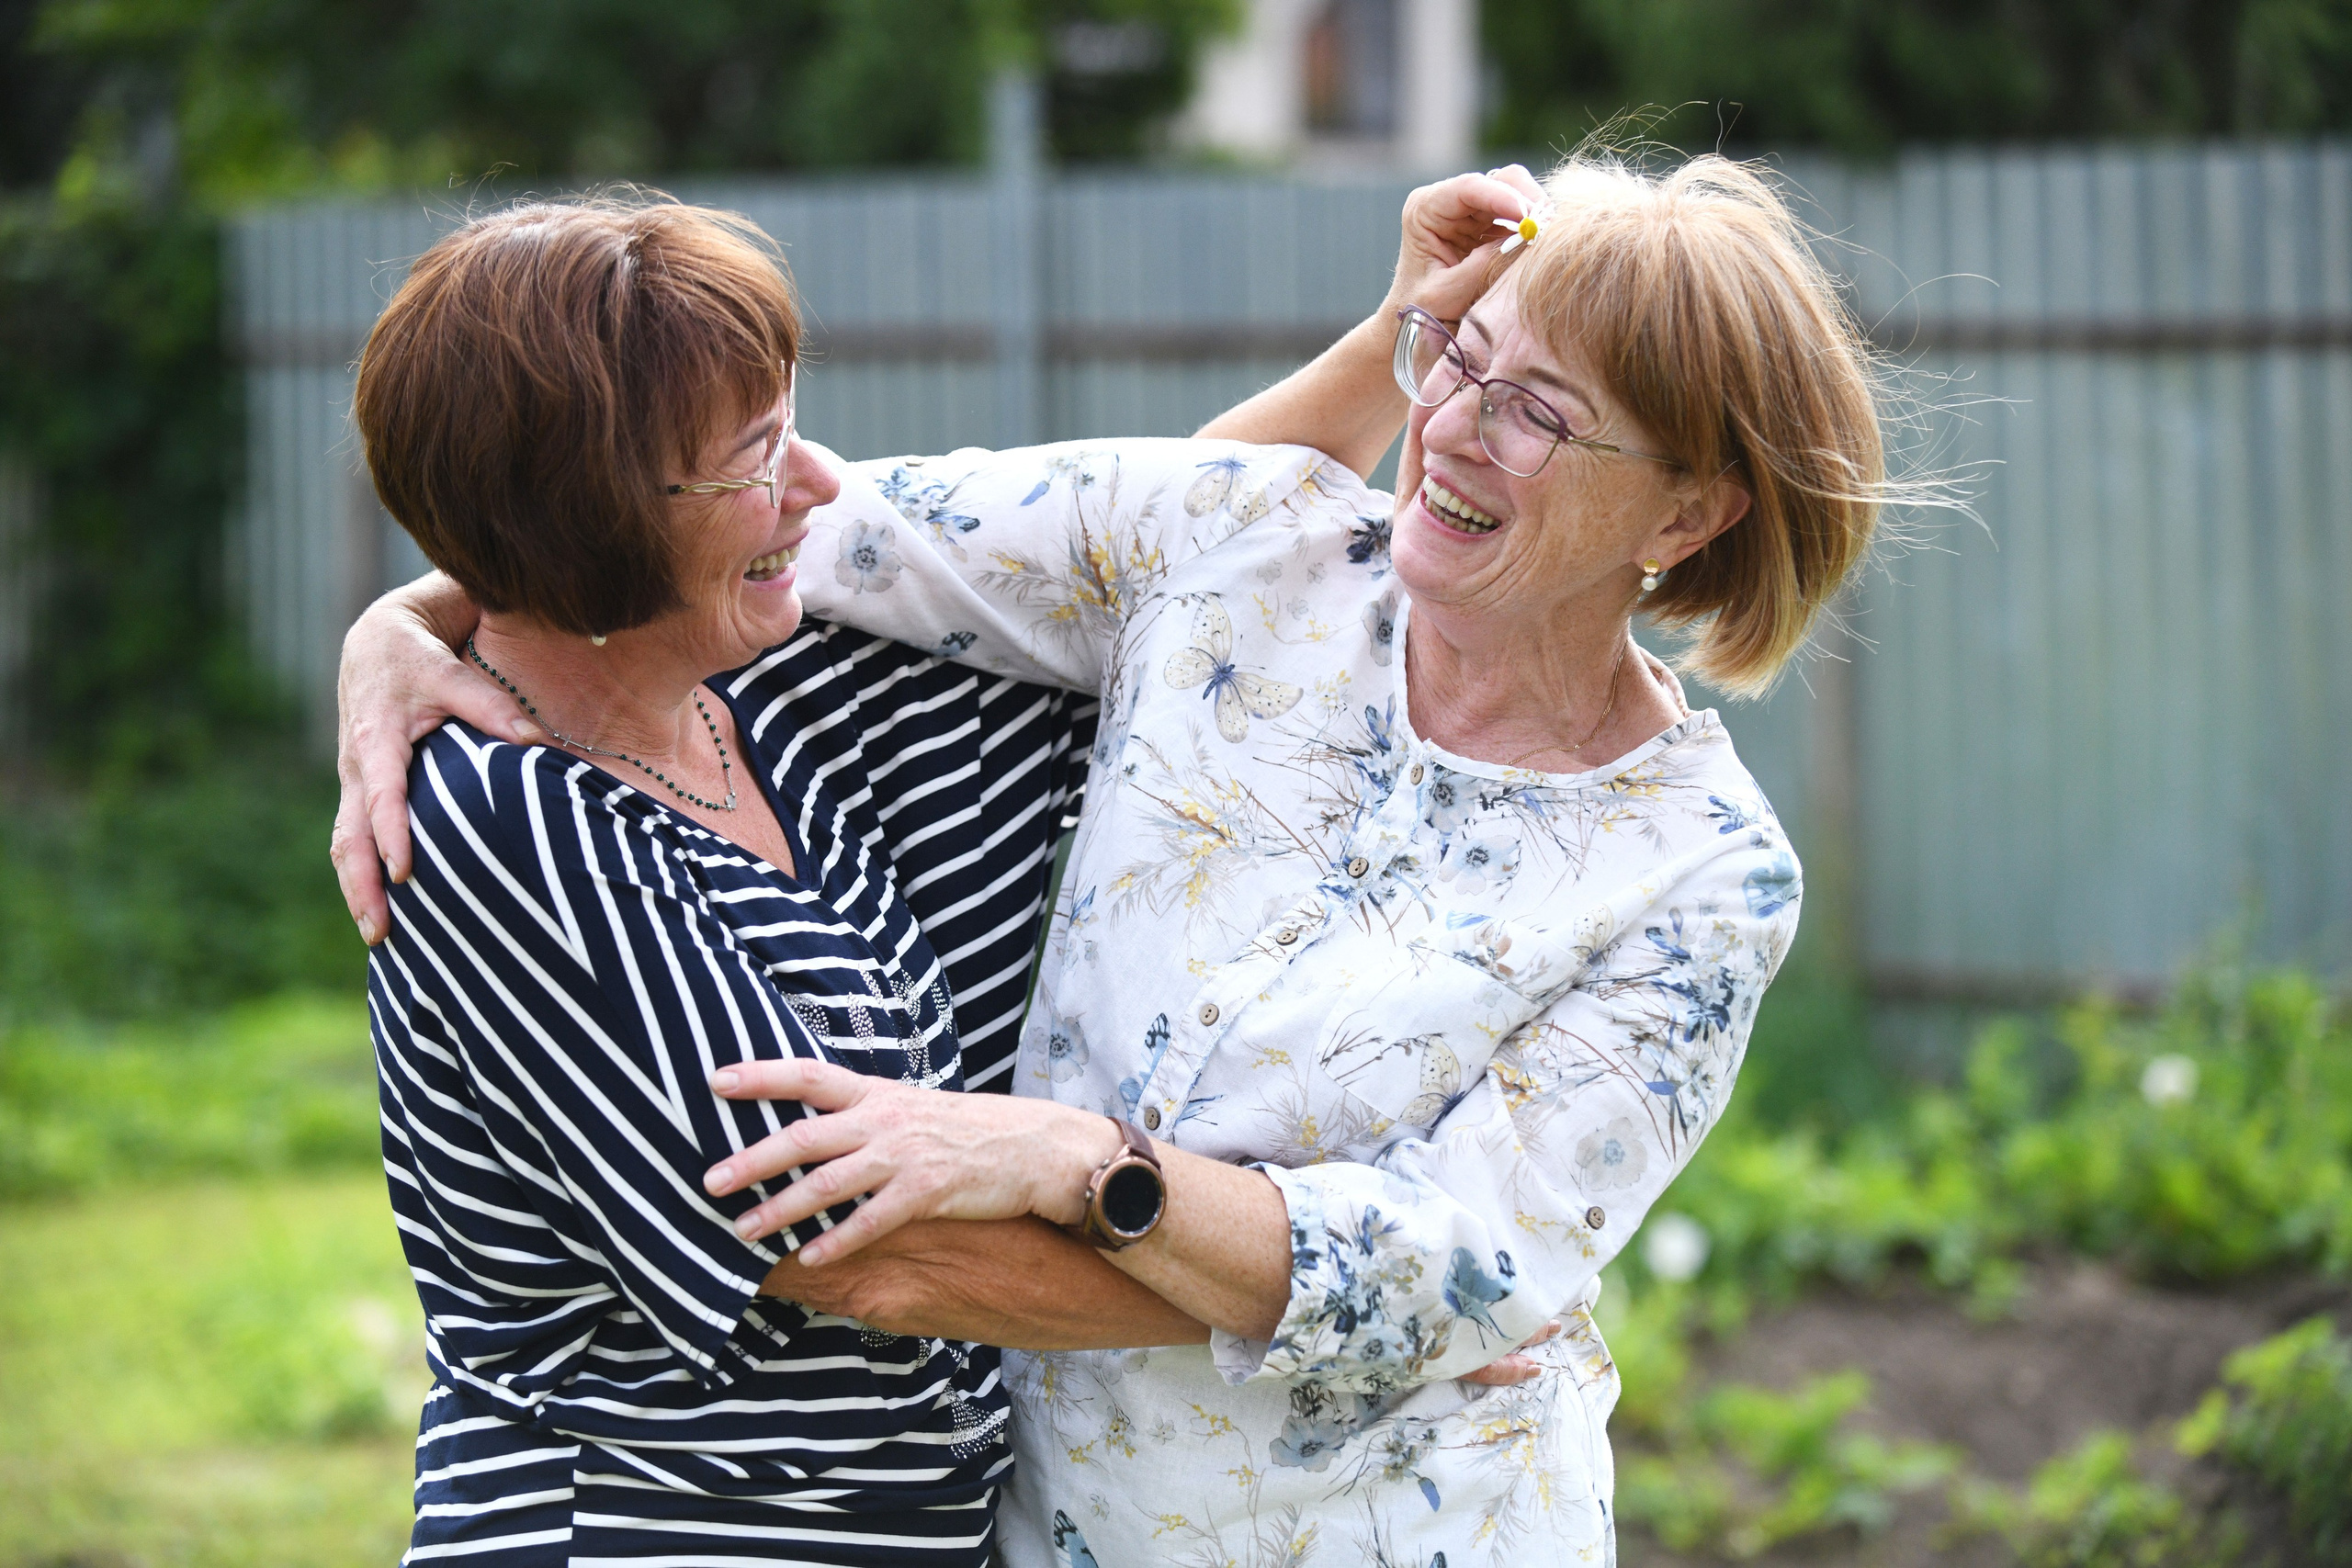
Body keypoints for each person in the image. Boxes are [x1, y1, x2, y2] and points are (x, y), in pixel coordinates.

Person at [344, 149, 1898, 1565]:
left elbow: (1458, 1274)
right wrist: (408, 625)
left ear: (1690, 514)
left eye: (1541, 414)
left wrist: (1088, 1169)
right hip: (1055, 1527)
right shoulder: (1237, 549)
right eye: (1459, 357)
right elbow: (665, 529)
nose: (1451, 428)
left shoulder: (1703, 872)